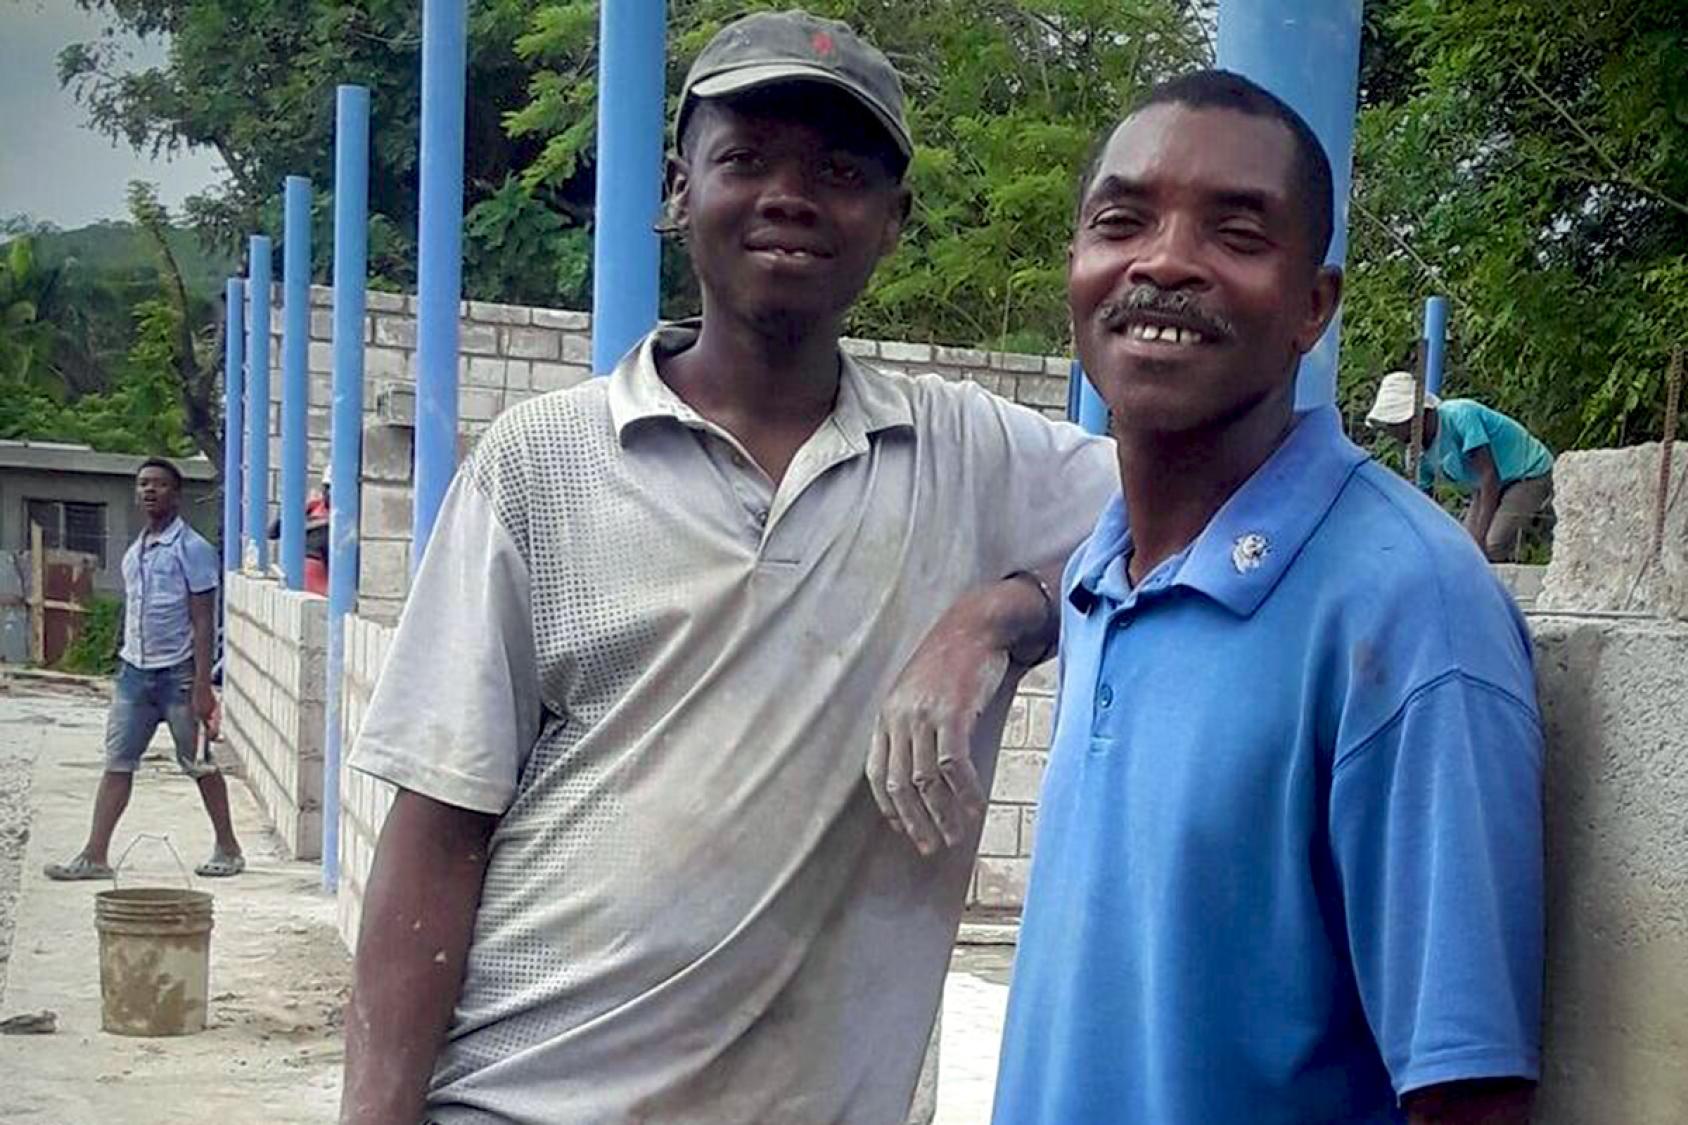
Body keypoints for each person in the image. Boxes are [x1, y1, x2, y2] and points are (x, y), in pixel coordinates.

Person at [339, 11, 1114, 1124]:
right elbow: (438, 829)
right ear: (675, 189)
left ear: (892, 222)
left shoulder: (969, 455)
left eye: (839, 172)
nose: (790, 196)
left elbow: (1195, 499)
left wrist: (1000, 617)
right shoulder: (543, 462)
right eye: (745, 159)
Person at [878, 71, 1544, 1123]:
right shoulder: (1103, 575)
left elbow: (1465, 1095)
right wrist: (991, 616)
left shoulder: (1407, 612)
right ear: (1076, 267)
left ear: (1310, 308)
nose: (1164, 261)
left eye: (1234, 234)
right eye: (1121, 221)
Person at [45, 457, 245, 881]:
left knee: (199, 764)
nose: (148, 491)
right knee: (117, 761)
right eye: (142, 485)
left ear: (176, 494)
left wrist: (204, 685)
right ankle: (94, 856)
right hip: (135, 673)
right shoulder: (136, 549)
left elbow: (204, 620)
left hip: (178, 675)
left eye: (157, 484)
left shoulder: (192, 549)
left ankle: (228, 848)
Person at [1367, 372, 1554, 562]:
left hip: (1527, 474)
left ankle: (1502, 583)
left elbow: (1489, 475)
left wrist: (1480, 537)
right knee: (1466, 550)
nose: (1393, 433)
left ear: (1419, 415)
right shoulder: (1417, 454)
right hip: (1484, 486)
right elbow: (1422, 503)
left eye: (1397, 424)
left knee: (1491, 544)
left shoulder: (1460, 416)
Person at [267, 465, 332, 594]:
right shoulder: (312, 509)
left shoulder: (343, 522)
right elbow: (272, 533)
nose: (330, 493)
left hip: (321, 591)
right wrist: (294, 511)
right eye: (327, 488)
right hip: (298, 585)